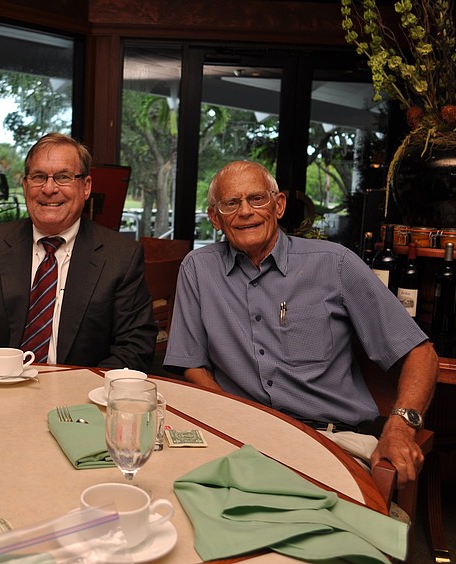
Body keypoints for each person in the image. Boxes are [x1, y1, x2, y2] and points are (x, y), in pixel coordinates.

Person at [164, 160, 438, 487]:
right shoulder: (199, 269)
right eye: (231, 203)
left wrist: (399, 428)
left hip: (331, 442)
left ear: (278, 205)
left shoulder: (335, 264)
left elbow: (421, 353)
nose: (246, 211)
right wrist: (233, 421)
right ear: (215, 218)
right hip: (242, 440)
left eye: (257, 199)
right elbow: (192, 364)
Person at [0, 132, 156, 370]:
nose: (49, 189)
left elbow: (135, 346)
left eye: (63, 177)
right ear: (25, 186)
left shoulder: (121, 256)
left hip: (79, 399)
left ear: (86, 187)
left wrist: (74, 392)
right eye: (39, 177)